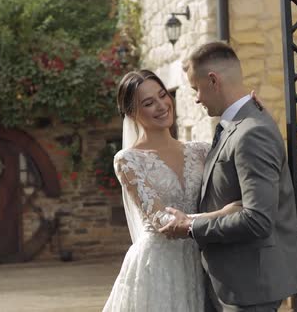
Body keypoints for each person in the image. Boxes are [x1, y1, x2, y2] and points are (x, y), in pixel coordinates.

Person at [159, 42, 297, 312]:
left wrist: (191, 227)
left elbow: (257, 220)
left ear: (213, 80)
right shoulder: (244, 121)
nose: (197, 99)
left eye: (196, 89)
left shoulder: (252, 132)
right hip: (232, 280)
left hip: (250, 286)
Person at [103, 69, 247, 312]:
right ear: (131, 113)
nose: (161, 106)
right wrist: (224, 213)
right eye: (149, 103)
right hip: (159, 267)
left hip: (202, 260)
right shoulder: (128, 160)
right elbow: (162, 221)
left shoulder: (201, 150)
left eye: (163, 95)